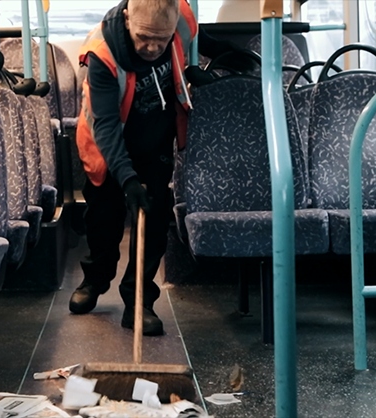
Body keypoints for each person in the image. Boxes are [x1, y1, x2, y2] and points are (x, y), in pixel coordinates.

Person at [70, 0, 249, 336]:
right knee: (102, 223)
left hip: (156, 139)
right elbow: (106, 125)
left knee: (153, 222)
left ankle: (139, 301)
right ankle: (96, 279)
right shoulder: (101, 53)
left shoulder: (179, 16)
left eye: (161, 39)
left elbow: (194, 36)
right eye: (143, 38)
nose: (152, 48)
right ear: (127, 18)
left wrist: (224, 51)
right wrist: (127, 181)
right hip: (107, 144)